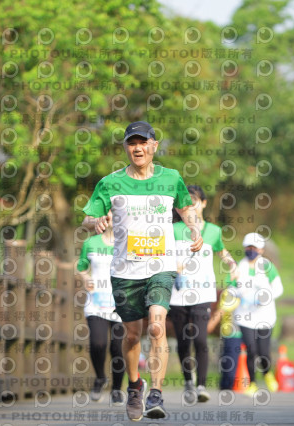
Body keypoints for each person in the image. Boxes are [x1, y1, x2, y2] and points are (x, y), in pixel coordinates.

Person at [82, 121, 203, 421]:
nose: (137, 148)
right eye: (131, 143)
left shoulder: (171, 178)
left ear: (154, 145)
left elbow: (185, 209)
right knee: (133, 334)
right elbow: (87, 217)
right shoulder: (110, 182)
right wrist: (95, 223)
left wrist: (194, 229)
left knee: (158, 326)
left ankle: (157, 394)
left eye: (142, 142)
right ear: (125, 147)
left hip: (160, 266)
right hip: (124, 270)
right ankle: (136, 385)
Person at [168, 185, 238, 403]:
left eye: (195, 201)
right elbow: (161, 254)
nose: (191, 206)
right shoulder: (173, 229)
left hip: (203, 294)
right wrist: (173, 265)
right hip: (178, 293)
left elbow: (222, 251)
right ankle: (188, 381)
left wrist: (231, 263)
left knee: (200, 339)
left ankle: (201, 386)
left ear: (204, 203)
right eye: (186, 202)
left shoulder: (213, 231)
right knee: (183, 342)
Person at [75, 210, 126, 405]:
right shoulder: (91, 243)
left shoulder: (127, 244)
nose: (110, 217)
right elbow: (80, 266)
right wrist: (85, 277)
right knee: (98, 344)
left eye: (115, 213)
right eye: (107, 213)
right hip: (95, 303)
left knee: (118, 348)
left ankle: (117, 389)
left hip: (120, 305)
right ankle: (100, 378)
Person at [231, 232, 283, 396]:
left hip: (265, 316)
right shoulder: (239, 267)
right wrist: (235, 295)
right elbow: (232, 287)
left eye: (254, 248)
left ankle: (267, 373)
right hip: (245, 316)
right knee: (251, 350)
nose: (251, 250)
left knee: (264, 352)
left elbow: (278, 288)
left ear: (261, 250)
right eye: (248, 247)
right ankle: (252, 383)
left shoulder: (267, 266)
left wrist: (265, 298)